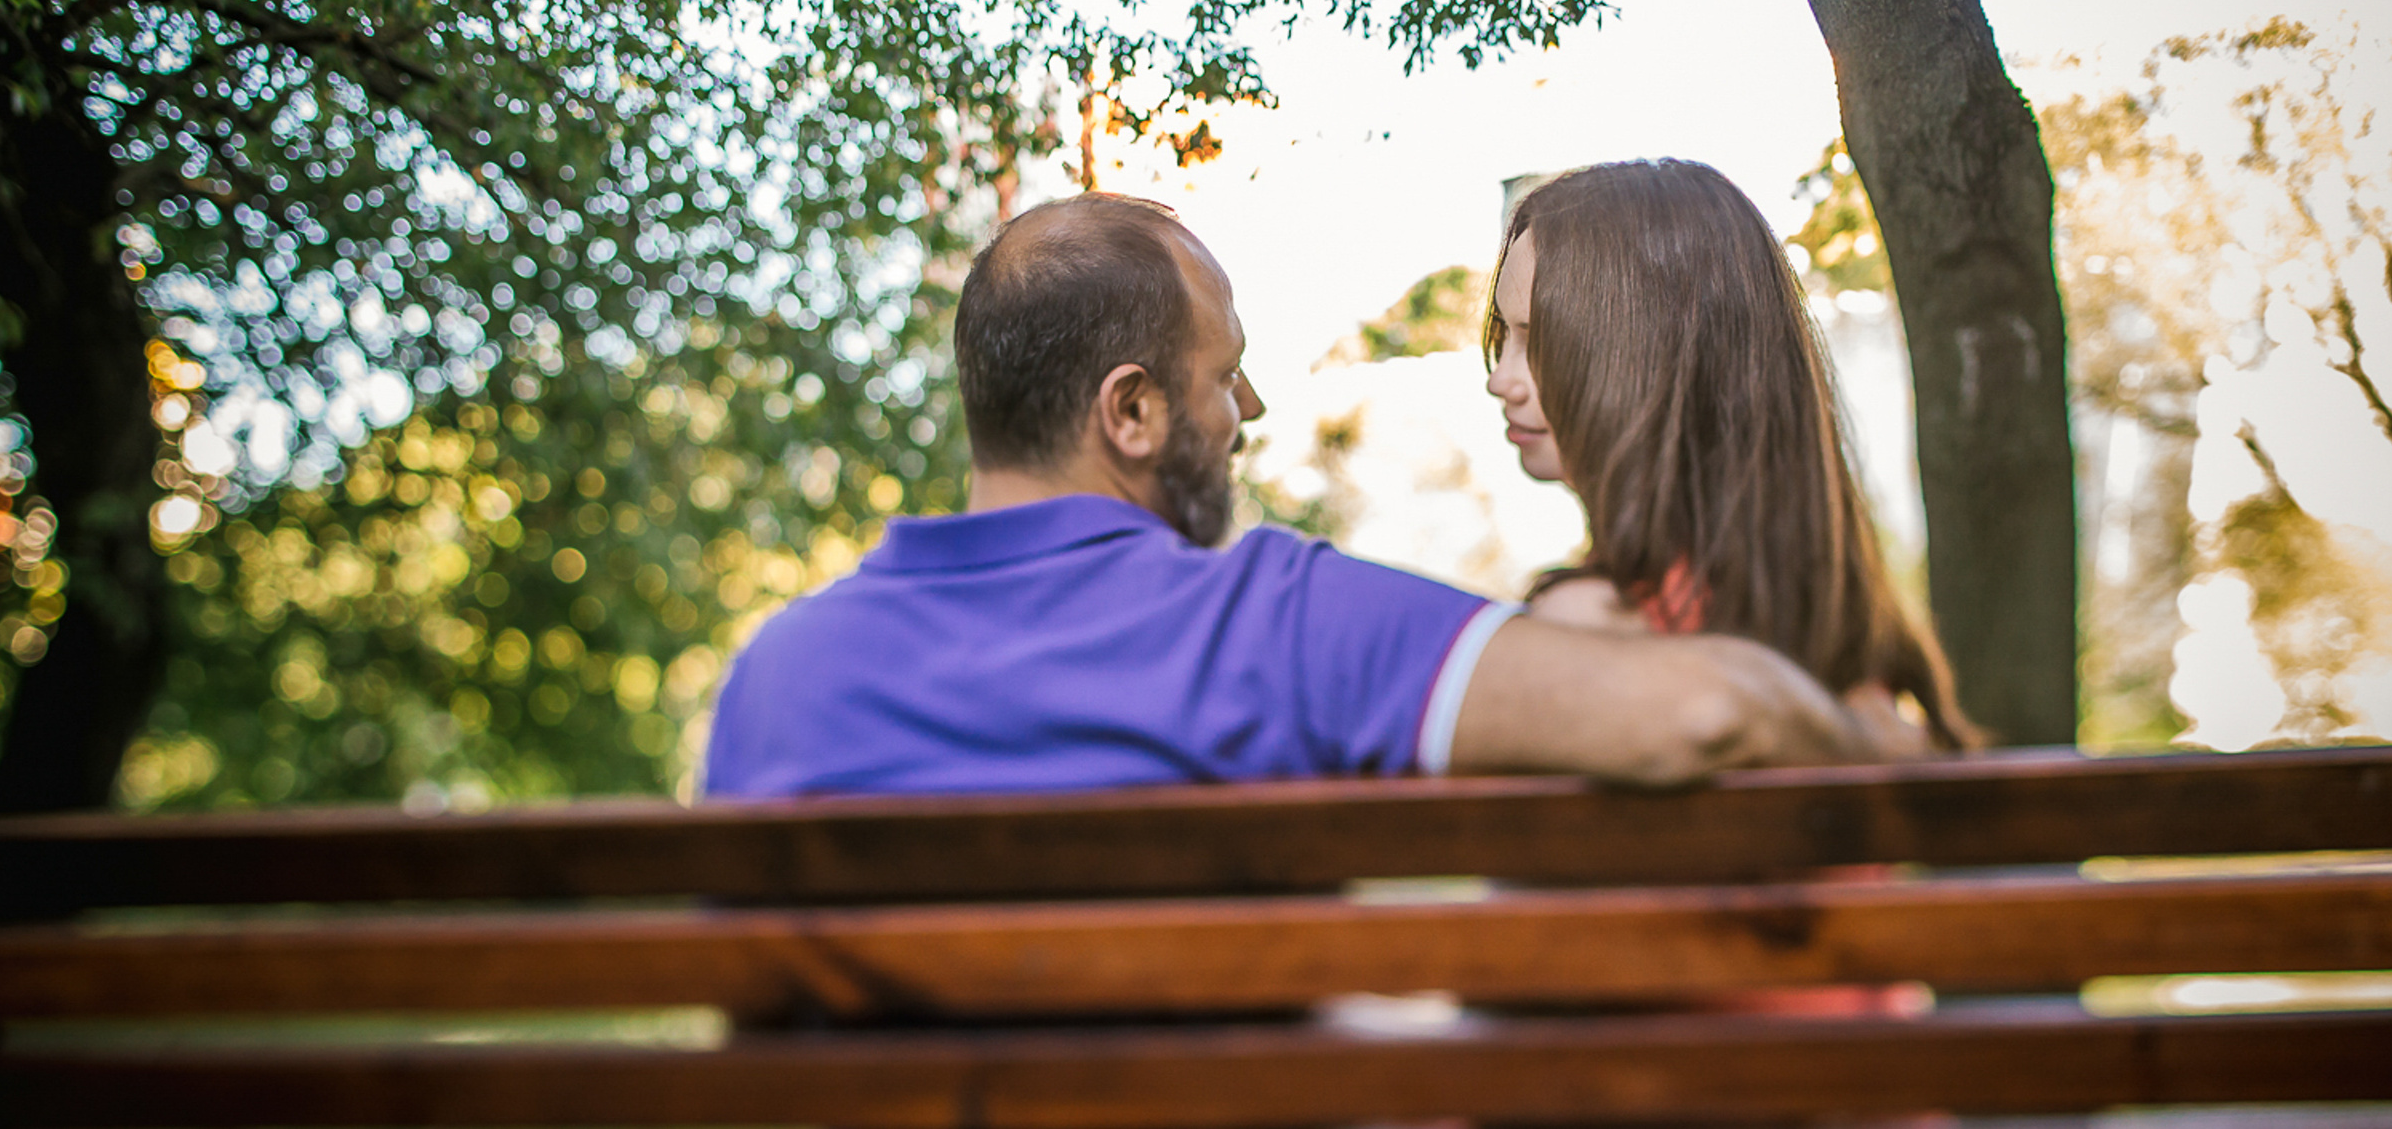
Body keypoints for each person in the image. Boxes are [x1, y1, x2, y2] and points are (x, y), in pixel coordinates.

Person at [703, 191, 1921, 798]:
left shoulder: (778, 676)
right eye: (1223, 380)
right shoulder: (1277, 620)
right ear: (1129, 412)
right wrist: (1856, 735)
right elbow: (1701, 716)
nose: (1251, 418)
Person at [1485, 158, 1972, 748]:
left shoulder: (1591, 624)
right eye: (1504, 337)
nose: (1501, 379)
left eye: (1536, 340)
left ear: (1651, 358)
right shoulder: (1843, 631)